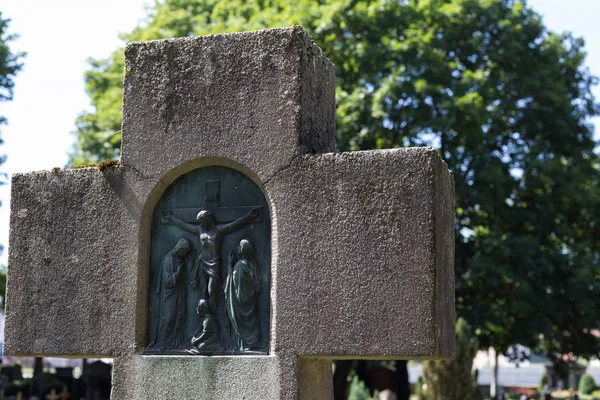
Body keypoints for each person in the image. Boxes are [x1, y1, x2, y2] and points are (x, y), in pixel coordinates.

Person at [163, 206, 260, 313]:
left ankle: (212, 318)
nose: (200, 224)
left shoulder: (218, 230)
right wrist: (171, 219)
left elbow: (235, 224)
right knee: (203, 291)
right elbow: (185, 225)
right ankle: (204, 321)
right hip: (202, 263)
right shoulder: (200, 230)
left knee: (211, 291)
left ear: (207, 219)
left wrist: (249, 217)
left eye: (201, 221)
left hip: (214, 264)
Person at [149, 238, 191, 351]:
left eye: (186, 253)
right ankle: (161, 343)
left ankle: (174, 344)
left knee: (178, 317)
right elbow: (168, 281)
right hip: (169, 295)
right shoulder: (168, 260)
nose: (184, 254)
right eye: (184, 251)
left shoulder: (181, 261)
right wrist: (178, 273)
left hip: (178, 294)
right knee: (168, 318)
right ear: (179, 249)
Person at [224, 239, 262, 351]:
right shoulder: (253, 264)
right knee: (251, 321)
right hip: (250, 301)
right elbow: (257, 283)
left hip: (240, 302)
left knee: (240, 322)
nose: (237, 248)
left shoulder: (239, 266)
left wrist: (229, 266)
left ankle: (243, 345)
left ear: (242, 249)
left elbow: (233, 283)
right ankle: (251, 343)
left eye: (239, 246)